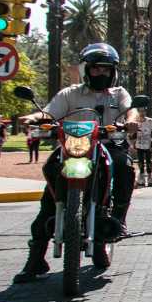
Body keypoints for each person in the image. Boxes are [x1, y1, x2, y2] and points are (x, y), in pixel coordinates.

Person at [14, 43, 141, 282]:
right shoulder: (70, 93)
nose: (100, 74)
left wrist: (132, 121)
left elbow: (130, 112)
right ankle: (35, 260)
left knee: (124, 166)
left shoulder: (119, 94)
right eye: (96, 69)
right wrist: (33, 117)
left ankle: (118, 220)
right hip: (73, 148)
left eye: (105, 69)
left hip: (108, 144)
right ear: (87, 70)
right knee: (50, 185)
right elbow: (49, 113)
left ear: (113, 71)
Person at [133, 107, 152, 187]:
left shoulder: (150, 121)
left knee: (149, 161)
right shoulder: (135, 121)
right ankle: (141, 178)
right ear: (138, 112)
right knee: (140, 161)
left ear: (145, 112)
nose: (142, 113)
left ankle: (150, 178)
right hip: (139, 144)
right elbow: (133, 134)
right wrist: (133, 143)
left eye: (143, 111)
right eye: (140, 111)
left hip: (148, 144)